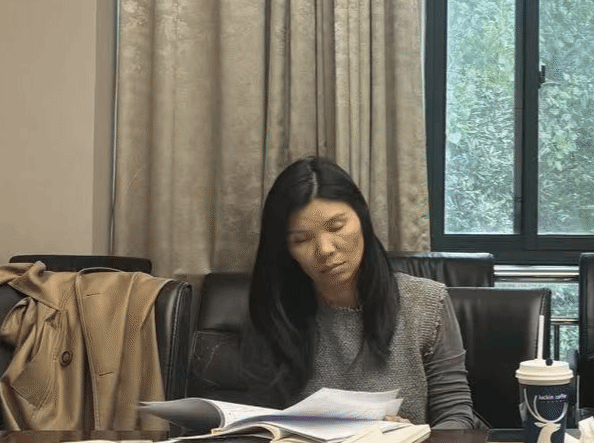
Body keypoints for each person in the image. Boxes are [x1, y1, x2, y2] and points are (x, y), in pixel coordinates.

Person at [191, 156, 479, 429]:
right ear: (286, 250)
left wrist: (411, 437)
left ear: (362, 219)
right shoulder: (276, 312)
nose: (325, 250)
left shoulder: (426, 303)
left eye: (337, 227)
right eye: (301, 240)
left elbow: (456, 418)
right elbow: (265, 419)